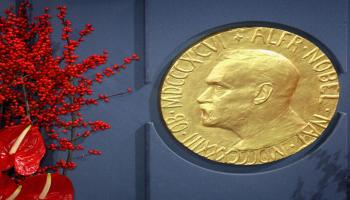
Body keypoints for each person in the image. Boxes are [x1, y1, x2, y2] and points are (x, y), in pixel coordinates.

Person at [196, 49, 306, 150]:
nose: (201, 98)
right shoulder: (246, 146)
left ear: (262, 94)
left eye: (219, 87)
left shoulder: (287, 137)